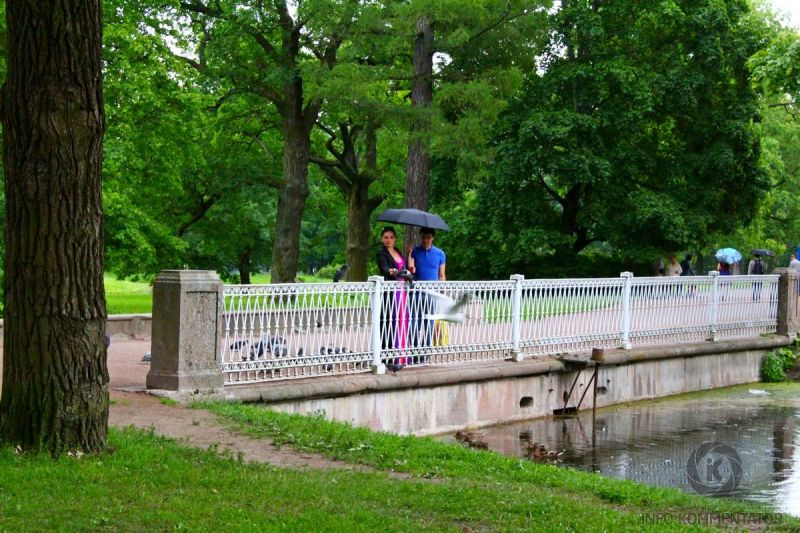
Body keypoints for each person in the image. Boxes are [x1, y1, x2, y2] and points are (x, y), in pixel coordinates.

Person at [407, 227, 446, 352]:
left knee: (429, 324)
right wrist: (409, 254)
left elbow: (441, 275)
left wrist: (442, 292)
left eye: (428, 237)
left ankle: (425, 351)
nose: (425, 240)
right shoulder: (415, 251)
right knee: (414, 323)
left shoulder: (440, 253)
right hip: (416, 292)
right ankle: (413, 349)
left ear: (433, 237)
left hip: (432, 292)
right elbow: (411, 269)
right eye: (423, 237)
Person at [375, 227, 409, 364]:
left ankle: (402, 355)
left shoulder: (398, 252)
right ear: (382, 239)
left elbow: (405, 268)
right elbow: (384, 268)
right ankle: (388, 355)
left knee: (403, 321)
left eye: (391, 237)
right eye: (385, 237)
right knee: (390, 322)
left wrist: (410, 255)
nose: (388, 240)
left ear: (395, 239)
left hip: (402, 291)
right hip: (391, 292)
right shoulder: (381, 254)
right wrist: (391, 271)